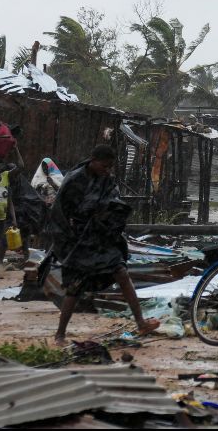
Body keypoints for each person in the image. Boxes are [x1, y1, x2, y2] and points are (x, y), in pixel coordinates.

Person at [47, 145, 159, 345]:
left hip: (102, 237)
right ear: (93, 160)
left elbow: (113, 201)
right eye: (104, 166)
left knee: (122, 273)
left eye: (110, 167)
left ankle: (141, 323)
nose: (107, 170)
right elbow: (59, 213)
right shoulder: (75, 180)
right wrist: (66, 240)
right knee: (75, 286)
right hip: (79, 241)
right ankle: (60, 334)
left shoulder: (106, 180)